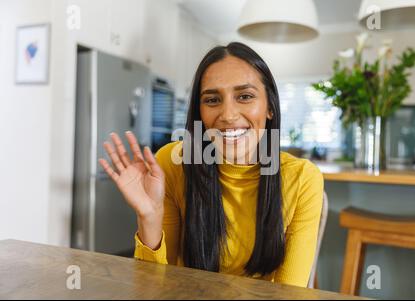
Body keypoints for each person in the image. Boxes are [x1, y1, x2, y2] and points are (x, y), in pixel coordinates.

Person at [99, 42, 324, 287]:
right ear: (199, 112)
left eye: (245, 96)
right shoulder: (174, 164)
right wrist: (149, 217)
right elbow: (153, 288)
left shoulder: (303, 179)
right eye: (213, 100)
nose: (228, 114)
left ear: (270, 106)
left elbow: (288, 294)